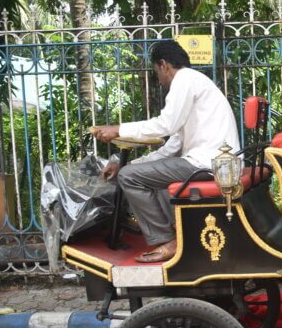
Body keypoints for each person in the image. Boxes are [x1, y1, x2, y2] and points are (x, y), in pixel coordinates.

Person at [93, 40, 240, 262]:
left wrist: (118, 129)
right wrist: (129, 164)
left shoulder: (184, 80)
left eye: (156, 72)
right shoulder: (195, 81)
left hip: (208, 164)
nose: (159, 80)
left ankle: (168, 239)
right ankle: (178, 231)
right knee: (135, 173)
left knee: (128, 178)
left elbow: (165, 125)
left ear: (163, 65)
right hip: (213, 162)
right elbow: (172, 144)